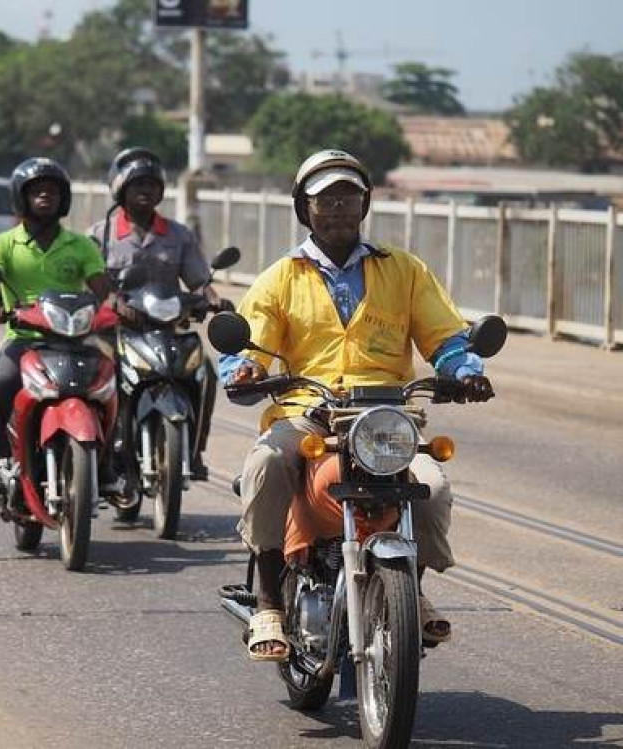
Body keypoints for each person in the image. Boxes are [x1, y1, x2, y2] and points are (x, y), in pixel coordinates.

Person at [219, 149, 494, 661]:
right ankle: (268, 603)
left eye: (349, 195)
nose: (340, 206)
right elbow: (248, 346)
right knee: (266, 463)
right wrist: (245, 370)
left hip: (387, 415)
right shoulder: (282, 276)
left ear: (365, 203)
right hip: (307, 407)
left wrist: (466, 371)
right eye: (327, 197)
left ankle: (408, 590)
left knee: (431, 487)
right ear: (305, 209)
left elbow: (446, 337)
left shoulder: (404, 270)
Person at [0, 157, 115, 511]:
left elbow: (101, 286)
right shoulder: (4, 243)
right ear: (20, 197)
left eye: (53, 191)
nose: (45, 196)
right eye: (37, 191)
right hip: (24, 340)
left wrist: (107, 306)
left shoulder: (80, 245)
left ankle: (107, 469)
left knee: (112, 387)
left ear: (64, 199)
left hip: (75, 341)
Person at [87, 147, 224, 484]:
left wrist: (211, 298)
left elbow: (198, 279)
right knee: (98, 375)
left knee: (205, 370)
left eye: (152, 185)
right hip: (115, 332)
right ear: (121, 190)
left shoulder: (179, 235)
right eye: (138, 185)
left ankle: (195, 450)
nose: (146, 191)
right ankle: (102, 449)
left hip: (166, 330)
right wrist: (113, 303)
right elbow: (90, 285)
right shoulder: (99, 235)